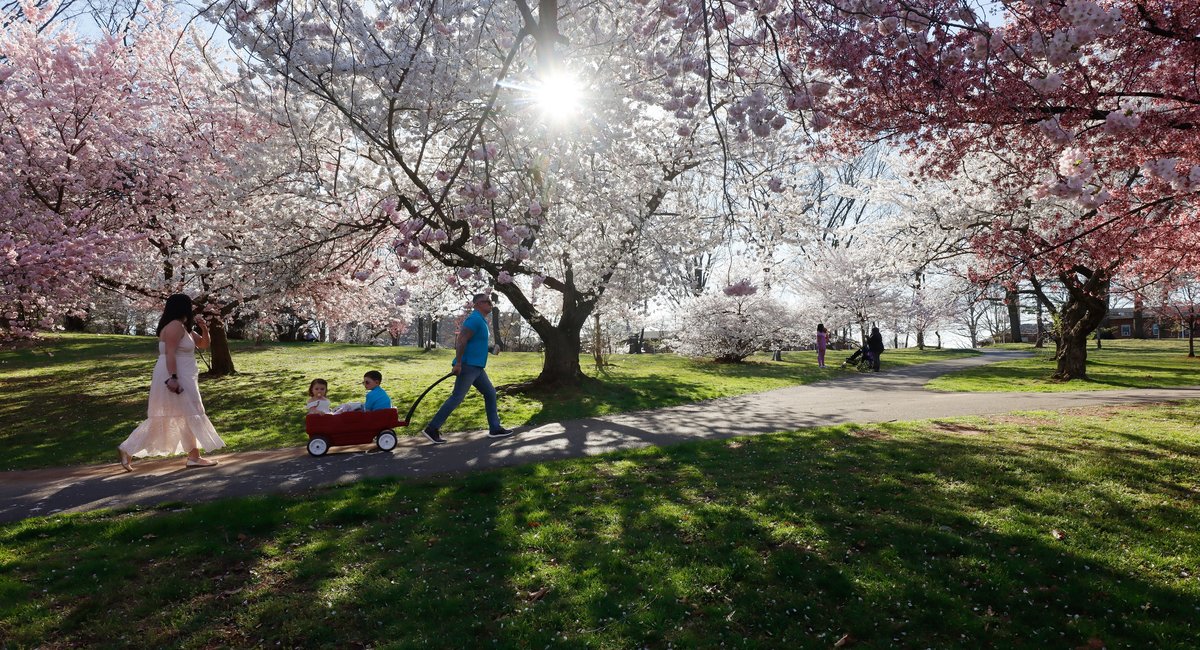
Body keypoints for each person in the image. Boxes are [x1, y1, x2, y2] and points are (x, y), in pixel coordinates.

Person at [118, 294, 224, 471]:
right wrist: (173, 378)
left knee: (188, 413)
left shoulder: (183, 327)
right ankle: (128, 448)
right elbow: (170, 354)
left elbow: (204, 344)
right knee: (182, 413)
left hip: (185, 374)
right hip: (175, 374)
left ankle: (193, 457)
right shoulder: (175, 326)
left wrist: (204, 328)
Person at [423, 293, 513, 444]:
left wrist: (490, 349)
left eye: (490, 301)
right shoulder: (474, 319)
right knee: (457, 397)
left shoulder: (481, 321)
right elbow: (462, 340)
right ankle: (432, 429)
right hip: (468, 366)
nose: (490, 304)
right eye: (487, 301)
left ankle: (495, 428)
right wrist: (458, 363)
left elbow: (474, 342)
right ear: (477, 304)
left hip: (477, 367)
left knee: (490, 393)